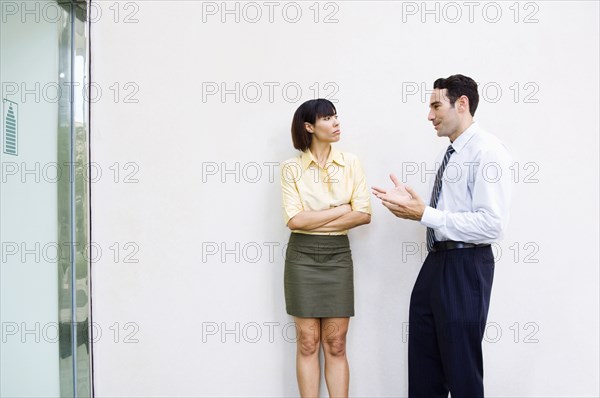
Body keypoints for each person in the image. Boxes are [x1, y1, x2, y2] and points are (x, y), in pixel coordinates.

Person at [372, 74, 512, 398]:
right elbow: (447, 213)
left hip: (466, 266)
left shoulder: (488, 151)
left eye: (436, 105)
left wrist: (424, 213)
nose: (429, 115)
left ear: (461, 104)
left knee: (462, 372)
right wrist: (412, 206)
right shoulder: (448, 155)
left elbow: (493, 224)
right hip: (435, 263)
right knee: (423, 372)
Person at [280, 98, 371, 397]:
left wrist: (315, 219)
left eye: (335, 116)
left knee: (336, 342)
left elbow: (363, 214)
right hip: (302, 257)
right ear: (309, 127)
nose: (336, 123)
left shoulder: (351, 163)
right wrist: (340, 210)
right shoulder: (291, 168)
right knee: (308, 341)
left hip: (338, 257)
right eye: (327, 118)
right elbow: (295, 221)